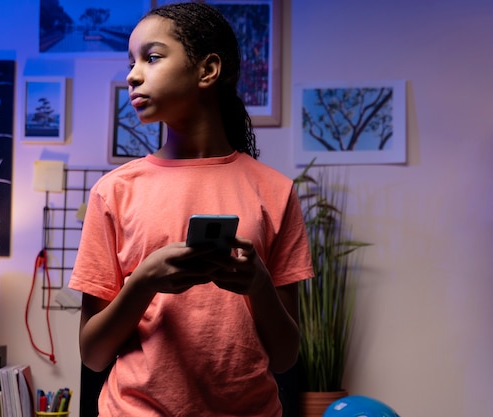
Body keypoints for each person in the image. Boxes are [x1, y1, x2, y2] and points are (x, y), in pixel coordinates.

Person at [69, 2, 313, 416]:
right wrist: (143, 281)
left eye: (152, 57)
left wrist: (258, 285)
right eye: (131, 62)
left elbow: (286, 356)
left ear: (207, 70)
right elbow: (92, 355)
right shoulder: (113, 192)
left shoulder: (275, 191)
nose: (132, 75)